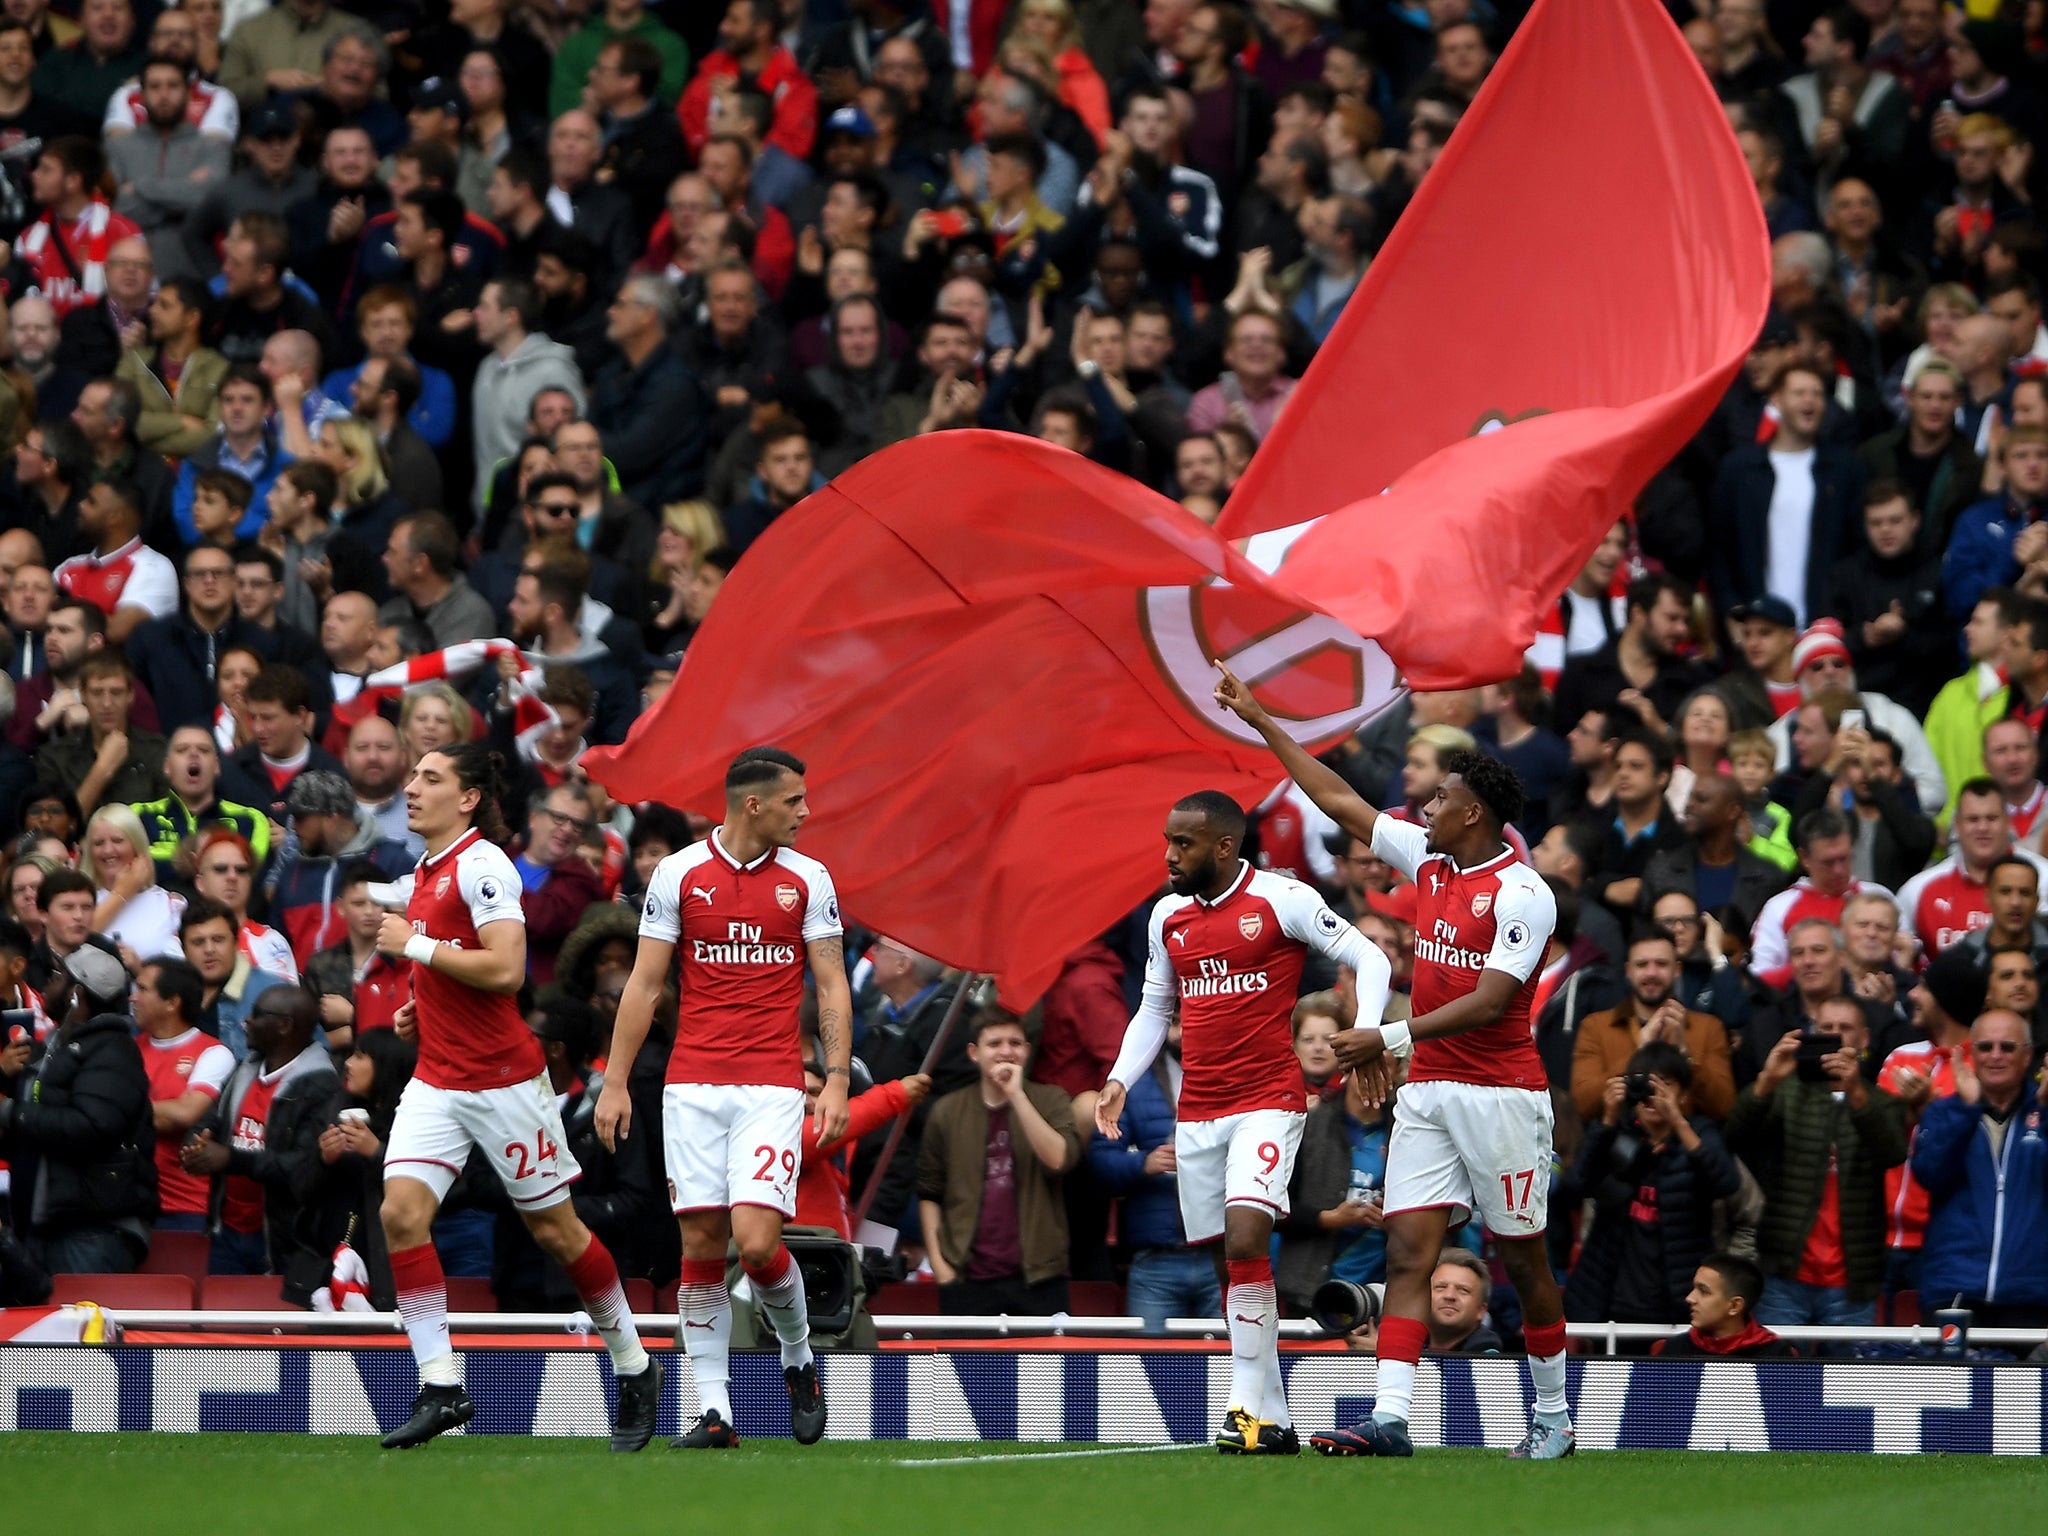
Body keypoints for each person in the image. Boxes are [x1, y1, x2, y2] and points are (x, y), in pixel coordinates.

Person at [1212, 667, 1573, 1460]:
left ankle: (1552, 1415)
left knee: (1524, 1256)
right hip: (1433, 1091)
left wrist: (1390, 1038)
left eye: (1438, 799)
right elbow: (1339, 799)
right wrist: (1265, 721)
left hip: (1502, 1095)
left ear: (1471, 812)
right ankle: (1392, 1417)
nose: (1424, 809)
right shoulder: (1433, 863)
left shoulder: (1522, 893)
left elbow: (1490, 1000)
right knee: (1410, 1250)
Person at [371, 741, 658, 1450]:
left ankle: (634, 1365)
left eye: (428, 778)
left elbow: (503, 970)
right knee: (400, 1214)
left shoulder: (484, 863)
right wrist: (422, 1002)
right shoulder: (426, 871)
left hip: (504, 1081)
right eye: (412, 775)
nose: (411, 787)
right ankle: (441, 1387)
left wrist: (414, 950)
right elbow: (454, 965)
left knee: (557, 1232)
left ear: (468, 798)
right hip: (438, 1077)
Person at [1095, 787, 1387, 1453]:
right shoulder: (1167, 916)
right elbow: (1153, 1007)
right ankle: (1275, 1419)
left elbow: (1370, 957)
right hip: (1197, 1112)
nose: (1169, 855)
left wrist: (1368, 1032)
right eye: (1168, 840)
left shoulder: (1283, 901)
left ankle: (1239, 1408)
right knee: (1234, 1271)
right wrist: (1119, 1078)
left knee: (1248, 1239)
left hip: (1268, 1101)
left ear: (1225, 846)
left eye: (1184, 843)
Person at [596, 745, 846, 1450]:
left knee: (759, 1242)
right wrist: (615, 1082)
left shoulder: (809, 877)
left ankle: (799, 1359)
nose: (806, 811)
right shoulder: (677, 874)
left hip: (770, 1082)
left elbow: (830, 985)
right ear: (753, 804)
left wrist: (836, 1077)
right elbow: (645, 987)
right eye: (795, 800)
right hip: (692, 1084)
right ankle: (716, 1412)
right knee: (701, 1245)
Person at [1725, 993, 1908, 1342]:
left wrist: (1855, 1091)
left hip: (1853, 1278)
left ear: (1864, 1039)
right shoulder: (1789, 1091)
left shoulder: (1882, 1101)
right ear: (1812, 1032)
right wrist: (1767, 1079)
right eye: (1826, 1027)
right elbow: (1735, 1136)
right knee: (1781, 1384)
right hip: (1785, 1272)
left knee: (1847, 1392)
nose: (1836, 1035)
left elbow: (1892, 1153)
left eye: (1846, 1028)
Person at [1561, 1042, 1742, 1327]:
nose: (1653, 1096)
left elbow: (1727, 1184)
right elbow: (1573, 1189)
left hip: (1678, 1297)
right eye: (1646, 1084)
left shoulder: (1699, 1133)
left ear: (1682, 1093)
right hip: (1611, 1294)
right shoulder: (1616, 1132)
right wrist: (1607, 1119)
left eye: (1665, 1085)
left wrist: (1679, 1123)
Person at [0, 944, 155, 1270]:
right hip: (46, 1222)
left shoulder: (113, 1051)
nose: (47, 983)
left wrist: (11, 1111)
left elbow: (92, 1126)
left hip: (91, 1231)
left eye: (58, 977)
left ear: (77, 996)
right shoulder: (55, 1046)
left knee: (83, 1322)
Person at [179, 982, 339, 1280]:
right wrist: (196, 1144)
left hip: (283, 1240)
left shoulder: (321, 1086)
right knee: (223, 1323)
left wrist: (231, 1159)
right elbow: (213, 1118)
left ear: (284, 1025)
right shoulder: (245, 1069)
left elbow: (303, 1166)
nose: (247, 1021)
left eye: (257, 1014)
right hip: (227, 1231)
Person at [1911, 1007, 2048, 1326]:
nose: (1995, 1056)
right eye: (1985, 1047)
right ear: (1972, 1053)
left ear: (2027, 1057)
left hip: (2032, 1294)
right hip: (1954, 1292)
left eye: (2007, 1047)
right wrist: (1966, 1110)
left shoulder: (2044, 1115)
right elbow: (1930, 1175)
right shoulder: (1944, 1113)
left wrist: (2045, 1115)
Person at [1570, 932, 1736, 1124]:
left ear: (1677, 970)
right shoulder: (1596, 1027)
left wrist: (1685, 1055)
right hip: (1616, 1146)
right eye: (1642, 965)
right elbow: (1580, 1106)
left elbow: (1725, 1108)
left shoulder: (1709, 1027)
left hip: (1684, 1146)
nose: (1651, 973)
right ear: (1628, 971)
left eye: (1661, 964)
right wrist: (1638, 1049)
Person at [1277, 1052, 1395, 1318]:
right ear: (1348, 1070)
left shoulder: (1407, 1131)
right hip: (1308, 1288)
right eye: (1367, 1065)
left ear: (1397, 1074)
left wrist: (1397, 1220)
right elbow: (1273, 1209)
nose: (1374, 1075)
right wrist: (1331, 1218)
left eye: (1384, 1067)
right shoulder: (1309, 1125)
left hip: (1383, 1291)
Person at [265, 769, 413, 967]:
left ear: (332, 816)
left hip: (375, 990)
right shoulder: (291, 872)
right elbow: (278, 945)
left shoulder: (392, 861)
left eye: (301, 818)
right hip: (305, 991)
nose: (293, 828)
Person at [134, 954, 229, 1232]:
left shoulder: (213, 1053)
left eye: (142, 989)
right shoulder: (128, 1048)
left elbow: (183, 1114)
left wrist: (117, 1111)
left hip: (185, 1208)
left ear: (172, 1003)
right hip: (130, 1204)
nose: (132, 998)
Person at [303, 860, 406, 1048]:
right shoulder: (320, 966)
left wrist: (352, 1017)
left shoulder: (401, 963)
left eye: (377, 903)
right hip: (332, 1072)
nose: (369, 912)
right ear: (341, 907)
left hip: (389, 1070)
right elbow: (305, 1038)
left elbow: (404, 1031)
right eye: (358, 903)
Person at [1649, 1252, 1801, 1358]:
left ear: (1734, 1306)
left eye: (1704, 1291)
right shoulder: (1673, 1350)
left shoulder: (1777, 1355)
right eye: (1693, 1288)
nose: (1690, 1298)